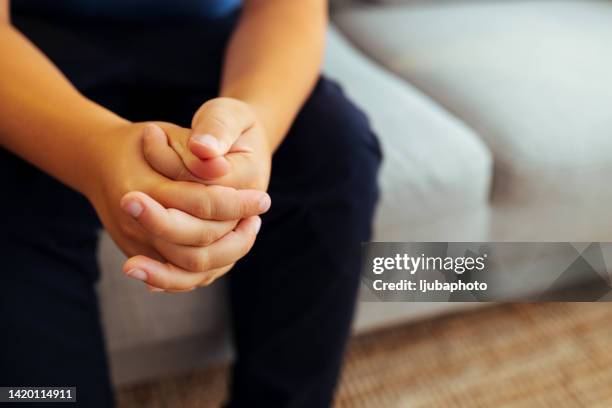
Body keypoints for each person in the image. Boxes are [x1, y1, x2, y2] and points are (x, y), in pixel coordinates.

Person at [0, 0, 382, 406]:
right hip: (28, 51)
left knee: (336, 151)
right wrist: (94, 154)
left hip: (218, 41)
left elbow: (288, 11)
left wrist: (252, 130)